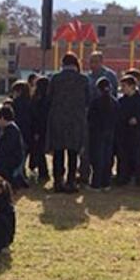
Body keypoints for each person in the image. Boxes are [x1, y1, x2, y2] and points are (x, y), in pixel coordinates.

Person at [47, 53, 90, 193]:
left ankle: (58, 181)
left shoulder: (56, 79)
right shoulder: (83, 80)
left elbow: (49, 97)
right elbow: (88, 100)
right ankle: (71, 182)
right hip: (76, 120)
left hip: (58, 119)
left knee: (58, 152)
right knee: (73, 152)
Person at [115, 75, 140, 187]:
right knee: (123, 156)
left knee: (137, 156)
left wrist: (138, 119)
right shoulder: (121, 100)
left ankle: (138, 178)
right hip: (123, 133)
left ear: (132, 86)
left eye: (124, 86)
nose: (122, 88)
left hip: (137, 133)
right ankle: (123, 177)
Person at [87, 77, 118, 192]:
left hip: (97, 133)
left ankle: (96, 183)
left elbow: (90, 118)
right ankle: (106, 182)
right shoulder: (114, 102)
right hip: (110, 133)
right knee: (107, 157)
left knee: (97, 158)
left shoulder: (95, 102)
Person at [0, 105, 25, 188]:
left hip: (10, 160)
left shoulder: (11, 131)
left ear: (3, 118)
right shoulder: (10, 129)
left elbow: (5, 150)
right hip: (10, 158)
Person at [28, 76, 51, 182]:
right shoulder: (49, 99)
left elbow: (36, 115)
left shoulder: (37, 99)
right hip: (46, 128)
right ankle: (42, 172)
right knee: (40, 151)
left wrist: (36, 130)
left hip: (37, 128)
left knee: (38, 151)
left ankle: (41, 171)